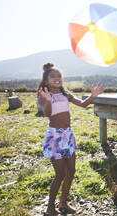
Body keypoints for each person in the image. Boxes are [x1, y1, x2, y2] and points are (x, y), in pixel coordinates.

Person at [37, 63, 104, 216]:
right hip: (55, 137)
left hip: (68, 135)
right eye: (52, 76)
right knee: (59, 174)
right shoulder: (44, 95)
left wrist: (93, 96)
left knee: (71, 171)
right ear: (46, 81)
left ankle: (63, 202)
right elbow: (48, 114)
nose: (57, 78)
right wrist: (47, 100)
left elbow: (82, 104)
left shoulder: (66, 94)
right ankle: (50, 208)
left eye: (59, 76)